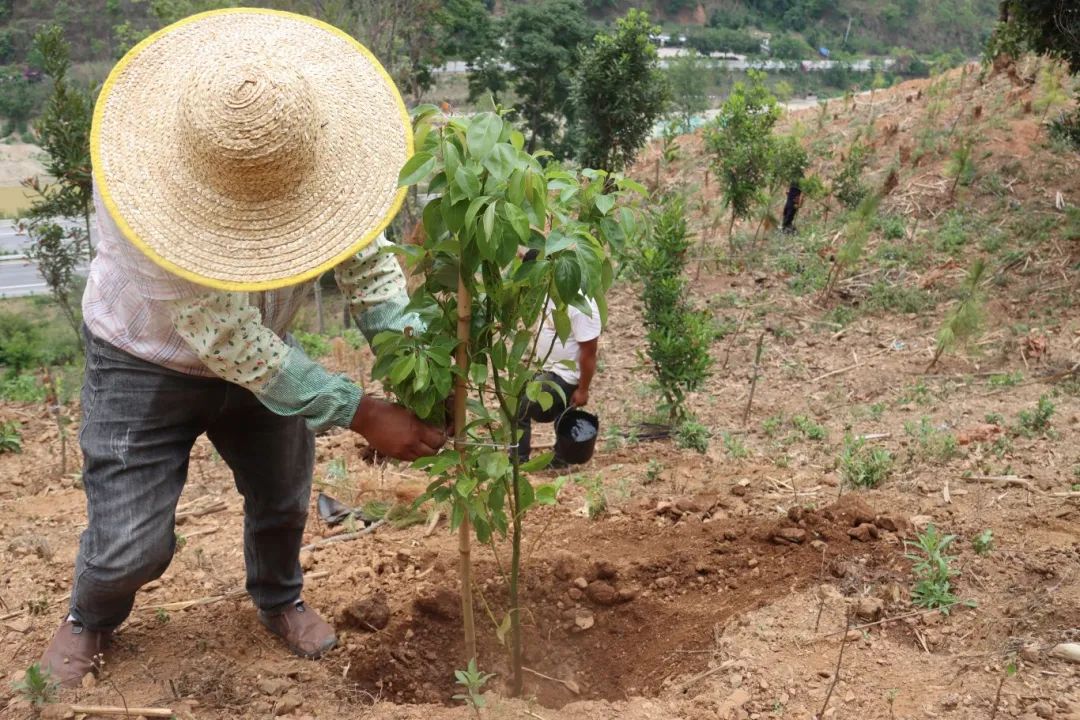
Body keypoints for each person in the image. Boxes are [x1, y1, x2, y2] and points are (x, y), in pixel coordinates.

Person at [40, 9, 445, 686]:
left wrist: (418, 364)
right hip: (143, 359)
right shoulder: (142, 197)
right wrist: (358, 410)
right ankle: (90, 615)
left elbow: (367, 270)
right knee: (128, 547)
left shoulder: (308, 142)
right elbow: (229, 341)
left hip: (268, 356)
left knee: (283, 499)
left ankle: (280, 597)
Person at [515, 250, 601, 464]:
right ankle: (561, 457)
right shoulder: (552, 289)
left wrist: (583, 389)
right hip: (549, 370)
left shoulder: (581, 305)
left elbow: (589, 353)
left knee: (520, 406)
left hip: (563, 376)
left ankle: (518, 460)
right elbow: (533, 256)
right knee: (545, 409)